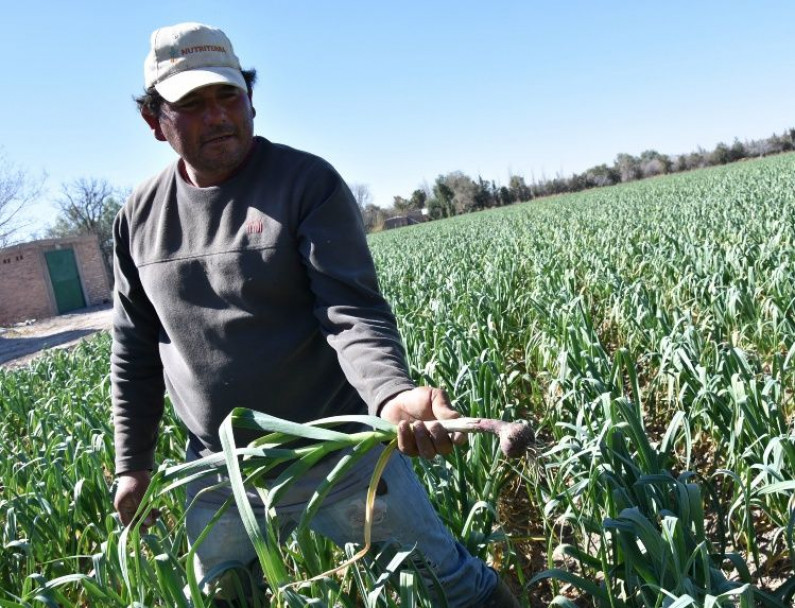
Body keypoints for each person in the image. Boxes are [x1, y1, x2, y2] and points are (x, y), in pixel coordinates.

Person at [111, 21, 520, 607]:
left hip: (337, 449)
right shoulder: (139, 217)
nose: (219, 115)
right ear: (156, 121)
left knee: (449, 583)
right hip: (218, 467)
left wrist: (391, 396)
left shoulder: (305, 183)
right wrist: (134, 464)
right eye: (193, 105)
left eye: (229, 95)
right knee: (223, 598)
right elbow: (133, 351)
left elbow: (349, 310)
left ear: (250, 96)